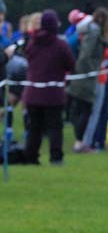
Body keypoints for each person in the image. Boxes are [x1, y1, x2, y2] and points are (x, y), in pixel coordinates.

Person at [21, 10, 75, 165]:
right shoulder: (60, 45)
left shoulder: (33, 42)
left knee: (34, 128)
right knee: (55, 127)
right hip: (53, 93)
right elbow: (71, 65)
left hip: (32, 92)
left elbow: (28, 58)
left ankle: (31, 157)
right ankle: (56, 157)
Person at [68, 9, 108, 153]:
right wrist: (93, 70)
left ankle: (81, 141)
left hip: (80, 75)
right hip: (87, 76)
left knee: (81, 110)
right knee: (88, 110)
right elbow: (86, 56)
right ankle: (83, 143)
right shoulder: (93, 33)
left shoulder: (84, 32)